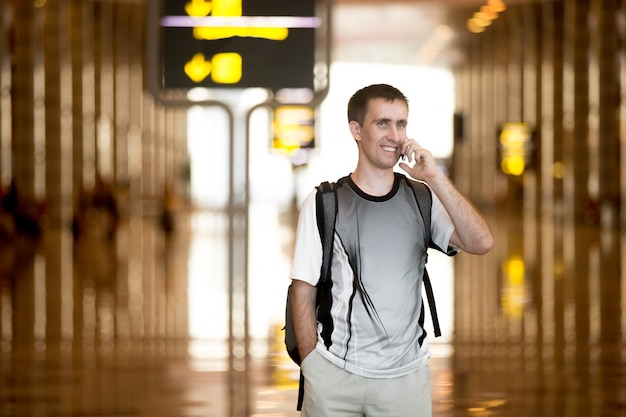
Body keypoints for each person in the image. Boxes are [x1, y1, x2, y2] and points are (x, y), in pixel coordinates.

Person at [289, 84, 494, 417]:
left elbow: (481, 242)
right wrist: (313, 365)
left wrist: (435, 179)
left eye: (401, 124)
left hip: (405, 382)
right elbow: (303, 289)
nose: (395, 135)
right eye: (383, 123)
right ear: (356, 129)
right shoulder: (324, 203)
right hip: (335, 379)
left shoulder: (422, 199)